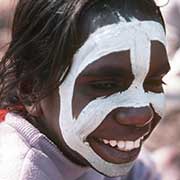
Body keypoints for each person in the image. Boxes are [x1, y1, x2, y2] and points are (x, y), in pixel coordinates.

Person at [0, 0, 170, 179]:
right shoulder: (21, 172)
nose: (142, 114)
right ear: (32, 90)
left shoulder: (92, 147)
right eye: (105, 86)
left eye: (153, 82)